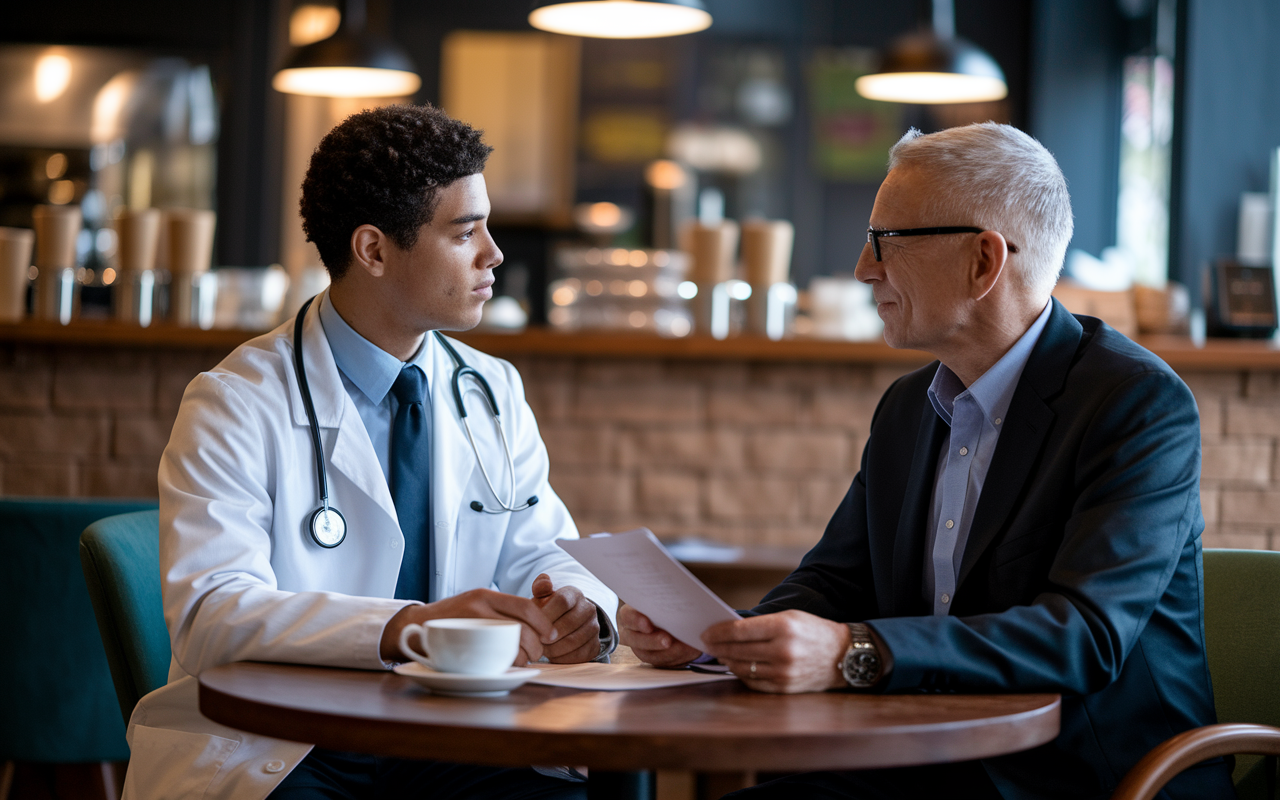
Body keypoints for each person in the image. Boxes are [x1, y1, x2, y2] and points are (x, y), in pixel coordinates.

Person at [621, 123, 1233, 799]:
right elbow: (835, 581)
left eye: (886, 241)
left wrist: (854, 653)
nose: (862, 267)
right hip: (923, 762)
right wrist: (718, 640)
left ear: (983, 261)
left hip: (1081, 778)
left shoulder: (1136, 404)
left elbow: (1082, 636)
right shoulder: (909, 404)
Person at [125, 104, 617, 800]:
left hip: (458, 734)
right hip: (296, 741)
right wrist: (407, 627)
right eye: (465, 232)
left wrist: (580, 610)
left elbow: (542, 549)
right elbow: (213, 615)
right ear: (374, 251)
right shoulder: (235, 400)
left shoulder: (491, 388)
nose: (494, 254)